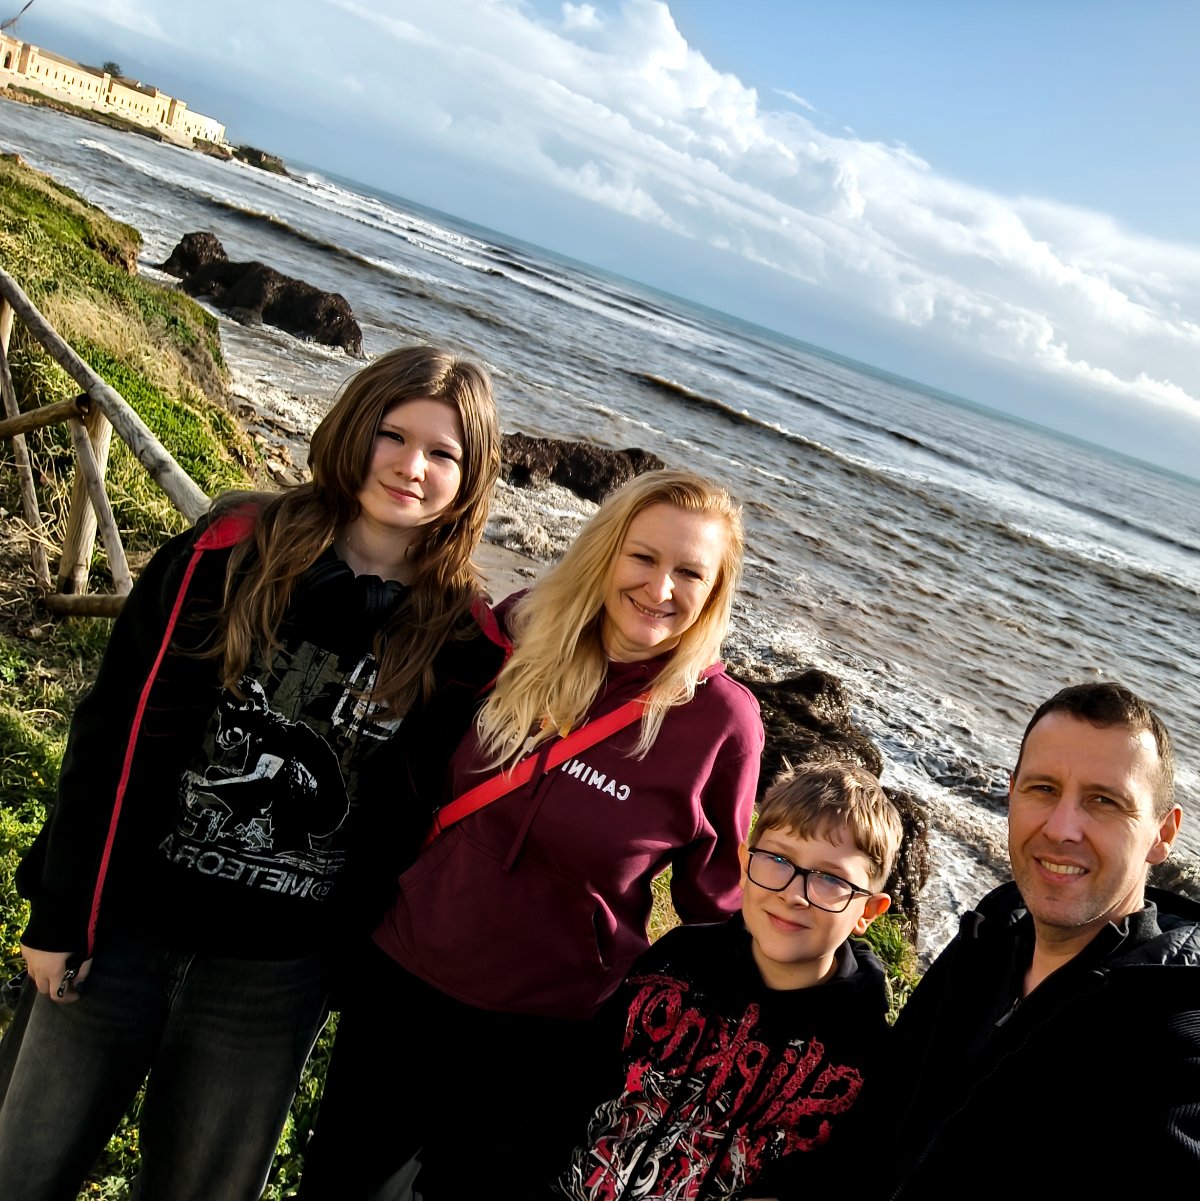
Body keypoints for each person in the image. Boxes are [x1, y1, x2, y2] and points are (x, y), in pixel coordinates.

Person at [0, 346, 507, 1201]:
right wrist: (62, 911)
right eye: (392, 434)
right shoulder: (234, 546)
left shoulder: (462, 640)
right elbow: (116, 729)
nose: (412, 466)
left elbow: (411, 818)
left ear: (472, 475)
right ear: (354, 428)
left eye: (443, 452)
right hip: (123, 929)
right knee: (20, 1166)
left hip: (272, 977)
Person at [298, 467, 766, 1201]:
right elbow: (414, 763)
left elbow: (717, 908)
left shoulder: (720, 723)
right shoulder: (522, 630)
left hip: (544, 1035)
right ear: (605, 553)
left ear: (714, 591)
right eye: (642, 557)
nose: (660, 587)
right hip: (403, 982)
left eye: (690, 572)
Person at [858, 681, 1200, 1201]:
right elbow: (876, 1123)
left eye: (1104, 801)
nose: (1062, 828)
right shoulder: (985, 944)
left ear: (1162, 835)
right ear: (1011, 793)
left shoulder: (1194, 1071)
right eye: (1043, 789)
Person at [551, 760, 903, 1201]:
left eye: (830, 879)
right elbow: (581, 1075)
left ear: (867, 911)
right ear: (743, 862)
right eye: (777, 860)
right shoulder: (677, 959)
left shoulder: (863, 1055)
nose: (792, 894)